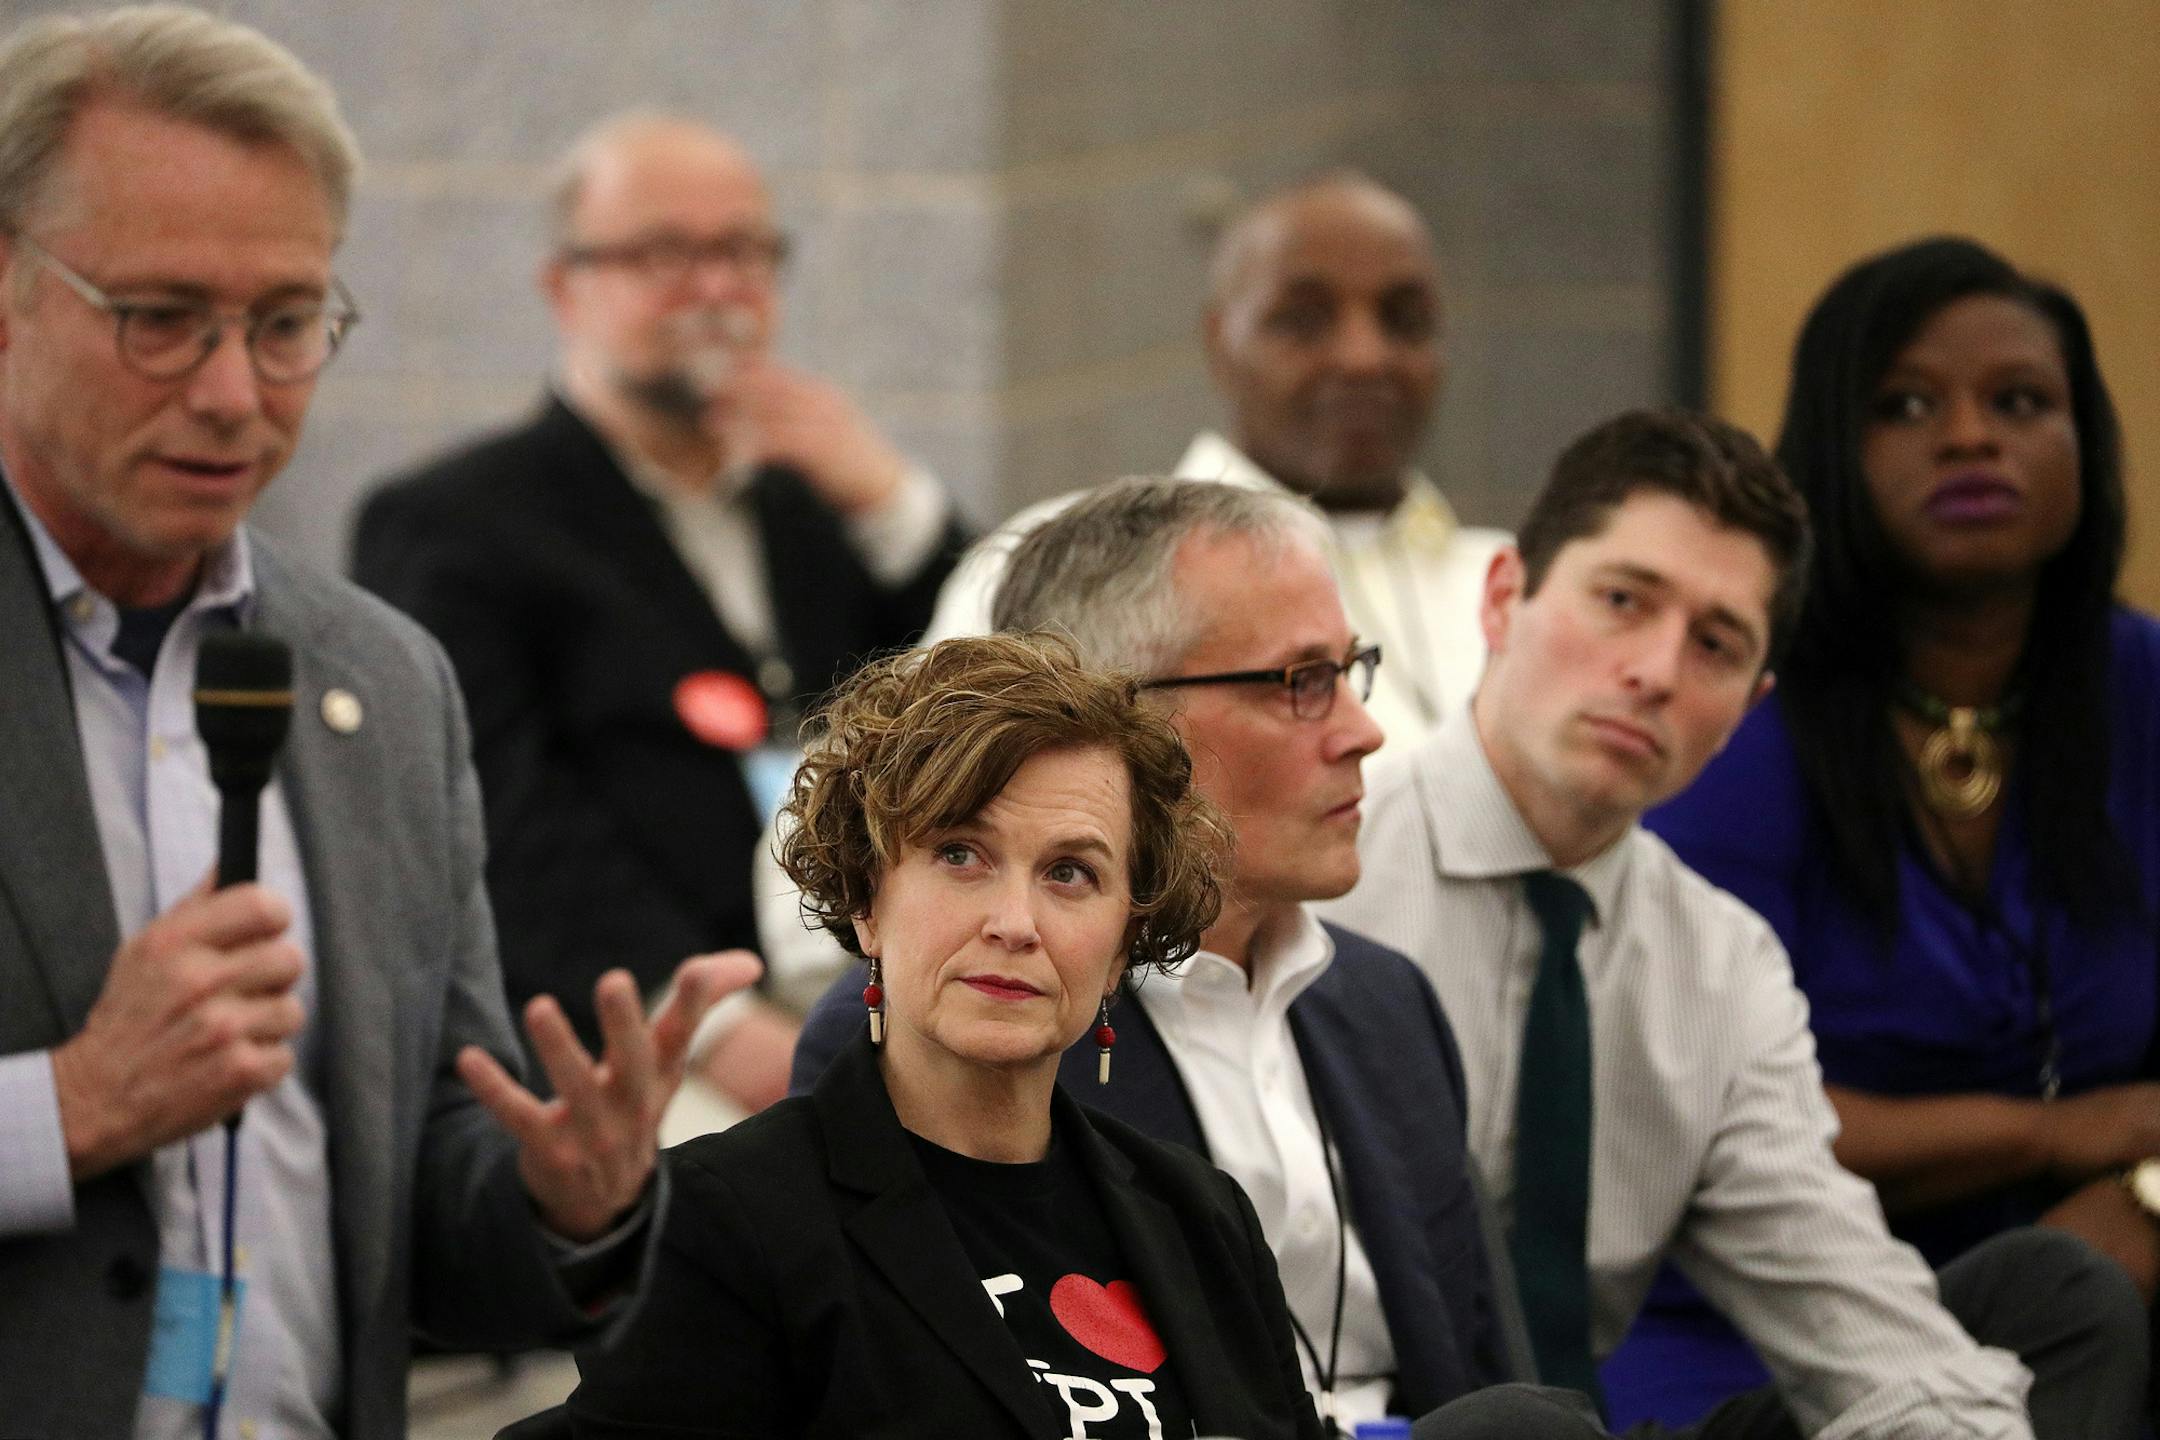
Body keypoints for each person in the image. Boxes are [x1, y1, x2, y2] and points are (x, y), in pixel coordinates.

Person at [0, 10, 748, 1438]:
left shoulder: (382, 682)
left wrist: (564, 1200)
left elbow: (427, 1208)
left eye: (285, 325)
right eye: (159, 320)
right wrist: (71, 1108)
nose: (232, 394)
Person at [1321, 407, 2147, 1438]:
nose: (1658, 672)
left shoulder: (1717, 962)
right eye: (1623, 600)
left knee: (2056, 1305)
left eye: (1715, 644)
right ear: (1504, 598)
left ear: (1748, 703)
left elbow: (1845, 1307)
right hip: (1344, 1423)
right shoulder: (1321, 871)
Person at [794, 478, 1526, 1430]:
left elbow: (1486, 1369)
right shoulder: (946, 1018)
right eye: (1302, 681)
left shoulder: (1384, 1002)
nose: (1362, 729)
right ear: (1123, 721)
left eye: (1353, 670)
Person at [1609, 238, 2160, 1424]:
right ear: (1830, 455)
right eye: (1907, 405)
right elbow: (1702, 1105)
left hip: (2111, 1259)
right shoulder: (1742, 718)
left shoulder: (2143, 687)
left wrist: (2152, 1191)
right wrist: (2054, 1136)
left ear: (2086, 446)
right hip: (1763, 1312)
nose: (1970, 437)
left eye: (2021, 402)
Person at [552, 631, 1325, 1439]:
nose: (1014, 924)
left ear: (1122, 947)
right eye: (961, 854)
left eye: (1070, 873)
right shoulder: (723, 1221)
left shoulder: (1202, 1216)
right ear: (867, 900)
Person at [353, 111, 968, 1108]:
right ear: (565, 286)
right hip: (636, 1041)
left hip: (869, 996)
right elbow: (504, 828)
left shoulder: (815, 495)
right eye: (665, 253)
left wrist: (893, 500)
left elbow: (997, 686)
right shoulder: (453, 525)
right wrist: (722, 1031)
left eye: (743, 251)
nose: (717, 288)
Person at [922, 170, 1506, 743]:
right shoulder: (1058, 565)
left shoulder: (1513, 585)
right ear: (1219, 342)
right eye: (1303, 320)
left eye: (1404, 320)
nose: (1363, 357)